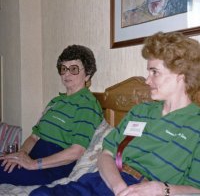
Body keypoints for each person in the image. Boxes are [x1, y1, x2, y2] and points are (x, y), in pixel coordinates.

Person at [30, 31, 200, 196]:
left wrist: (163, 189)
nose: (147, 80)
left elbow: (196, 188)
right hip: (105, 181)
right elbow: (106, 154)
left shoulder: (196, 125)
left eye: (154, 72)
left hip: (145, 189)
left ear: (181, 75)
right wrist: (119, 188)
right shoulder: (140, 111)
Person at [0, 45, 103, 185]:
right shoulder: (55, 102)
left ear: (87, 75)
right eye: (63, 69)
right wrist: (21, 154)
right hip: (33, 158)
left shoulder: (88, 105)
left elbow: (76, 151)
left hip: (52, 168)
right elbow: (34, 137)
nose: (66, 74)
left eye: (73, 69)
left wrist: (34, 164)